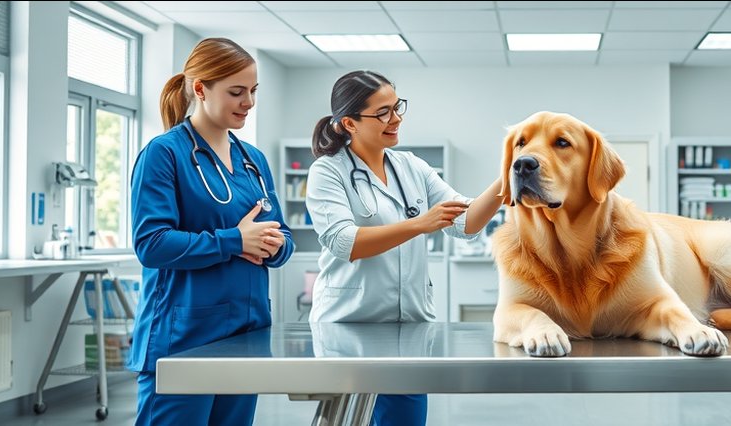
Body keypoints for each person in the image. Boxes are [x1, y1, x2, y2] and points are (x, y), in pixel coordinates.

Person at [305, 70, 503, 426]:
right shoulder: (327, 171)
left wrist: (508, 179)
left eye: (397, 108)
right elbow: (343, 241)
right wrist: (420, 224)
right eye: (383, 112)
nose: (396, 119)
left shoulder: (412, 166)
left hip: (408, 327)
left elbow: (465, 222)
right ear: (349, 122)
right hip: (349, 325)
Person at [128, 37, 293, 426]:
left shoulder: (253, 160)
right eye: (236, 92)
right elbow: (152, 244)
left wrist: (274, 245)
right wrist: (235, 241)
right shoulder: (164, 153)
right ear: (200, 89)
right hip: (184, 337)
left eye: (252, 91)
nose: (248, 103)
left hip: (246, 334)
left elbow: (283, 235)